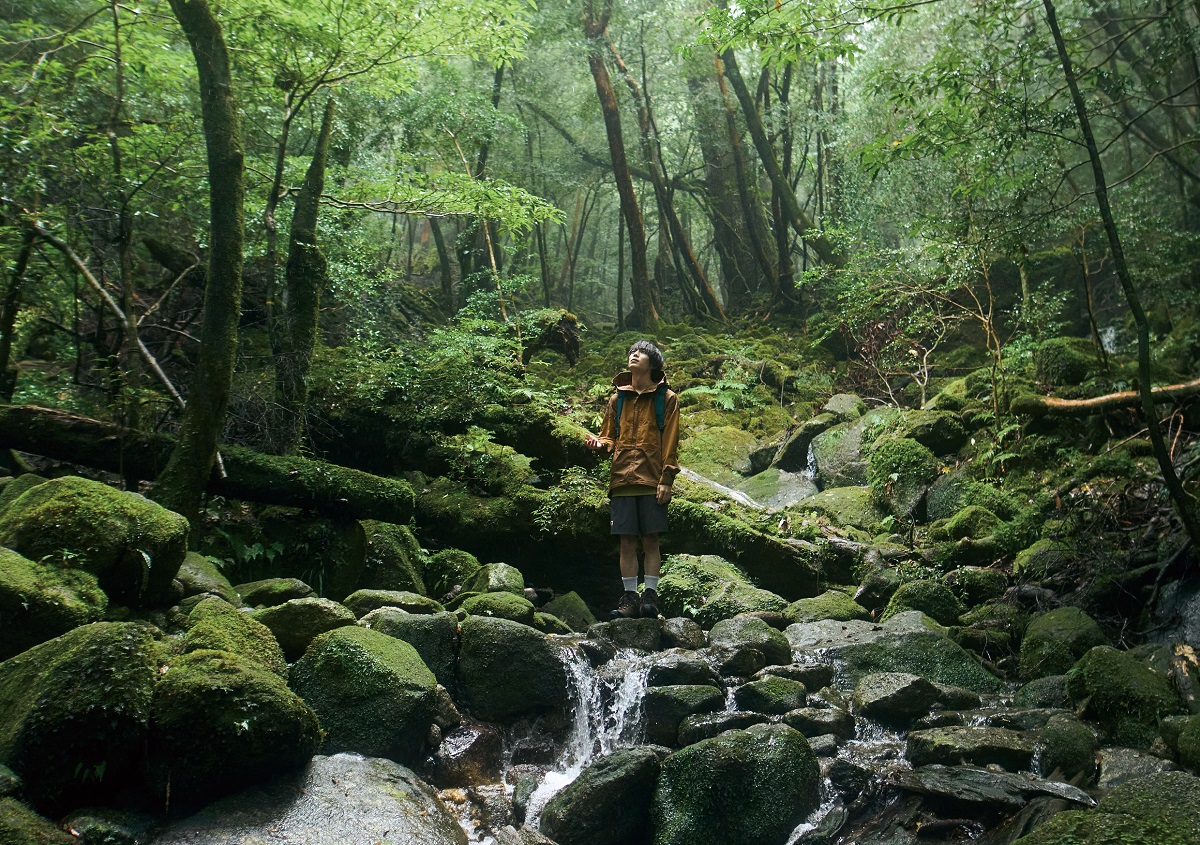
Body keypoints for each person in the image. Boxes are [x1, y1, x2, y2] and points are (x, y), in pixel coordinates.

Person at [584, 340, 681, 619]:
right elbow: (608, 439)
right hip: (622, 478)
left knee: (651, 540)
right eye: (631, 353)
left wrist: (667, 479)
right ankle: (629, 599)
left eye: (640, 353)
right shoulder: (618, 399)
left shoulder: (667, 399)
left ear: (652, 364)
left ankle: (650, 596)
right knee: (627, 541)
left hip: (652, 479)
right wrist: (598, 445)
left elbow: (671, 442)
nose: (633, 355)